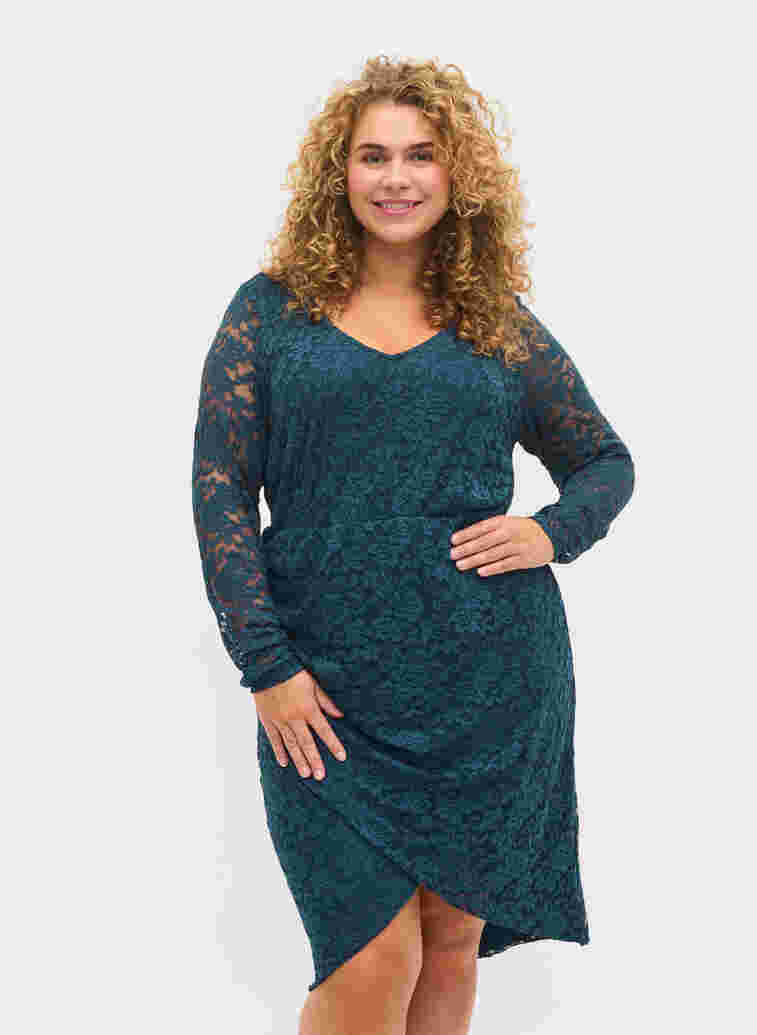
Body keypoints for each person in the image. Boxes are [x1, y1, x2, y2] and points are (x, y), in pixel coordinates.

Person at [191, 55, 635, 1035]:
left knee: (447, 946)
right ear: (338, 172)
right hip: (324, 690)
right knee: (368, 954)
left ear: (455, 174)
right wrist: (267, 666)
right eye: (373, 156)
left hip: (487, 683)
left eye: (421, 155)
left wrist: (547, 531)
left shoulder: (496, 323)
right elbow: (219, 493)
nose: (396, 177)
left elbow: (603, 460)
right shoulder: (269, 312)